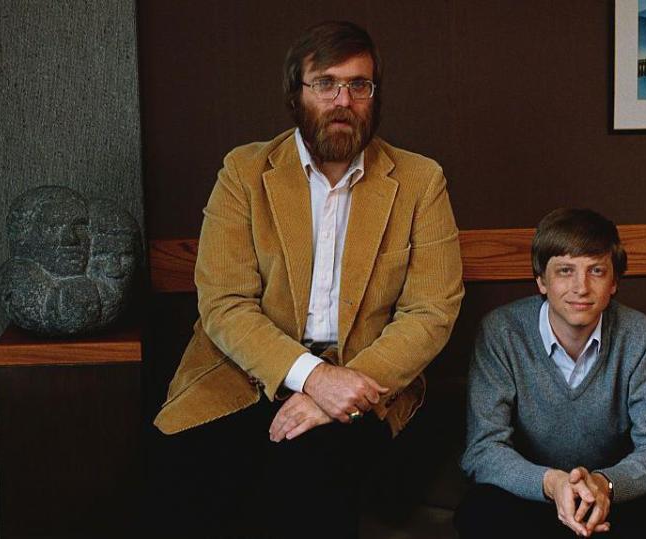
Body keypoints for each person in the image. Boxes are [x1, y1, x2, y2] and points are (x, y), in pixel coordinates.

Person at [149, 21, 464, 538]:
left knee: (314, 476)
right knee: (187, 478)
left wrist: (337, 391)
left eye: (359, 85)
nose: (343, 99)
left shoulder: (419, 181)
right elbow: (225, 302)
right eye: (326, 84)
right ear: (296, 93)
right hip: (244, 375)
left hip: (365, 381)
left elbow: (431, 312)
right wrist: (313, 379)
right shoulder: (244, 172)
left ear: (374, 95)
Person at [455, 208, 646, 538]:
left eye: (596, 271)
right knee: (480, 512)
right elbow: (483, 450)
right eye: (565, 271)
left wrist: (604, 485)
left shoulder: (638, 333)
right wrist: (553, 483)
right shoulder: (501, 332)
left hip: (611, 497)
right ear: (541, 281)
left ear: (614, 282)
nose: (581, 287)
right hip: (535, 498)